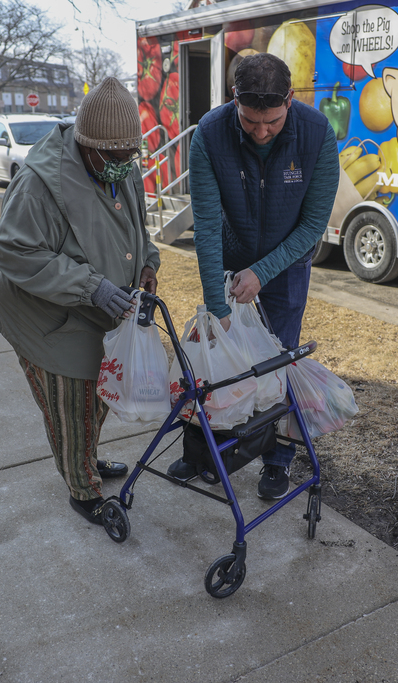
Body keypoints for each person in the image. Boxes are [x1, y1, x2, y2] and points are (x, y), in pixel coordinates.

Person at [164, 52, 339, 499]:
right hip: (226, 260)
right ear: (233, 100)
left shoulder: (318, 135)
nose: (261, 132)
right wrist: (217, 305)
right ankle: (206, 450)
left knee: (274, 368)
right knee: (212, 364)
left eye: (274, 122)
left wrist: (262, 272)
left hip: (285, 271)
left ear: (291, 101)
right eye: (250, 121)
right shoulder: (209, 134)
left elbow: (313, 224)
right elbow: (204, 223)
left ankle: (276, 461)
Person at [0, 77, 161, 522]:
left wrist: (148, 261)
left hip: (98, 315)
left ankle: (86, 458)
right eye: (117, 157)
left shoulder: (118, 166)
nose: (126, 165)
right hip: (46, 319)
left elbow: (137, 228)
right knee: (70, 404)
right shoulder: (39, 184)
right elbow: (13, 250)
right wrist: (92, 287)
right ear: (88, 145)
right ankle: (82, 490)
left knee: (98, 395)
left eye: (132, 155)